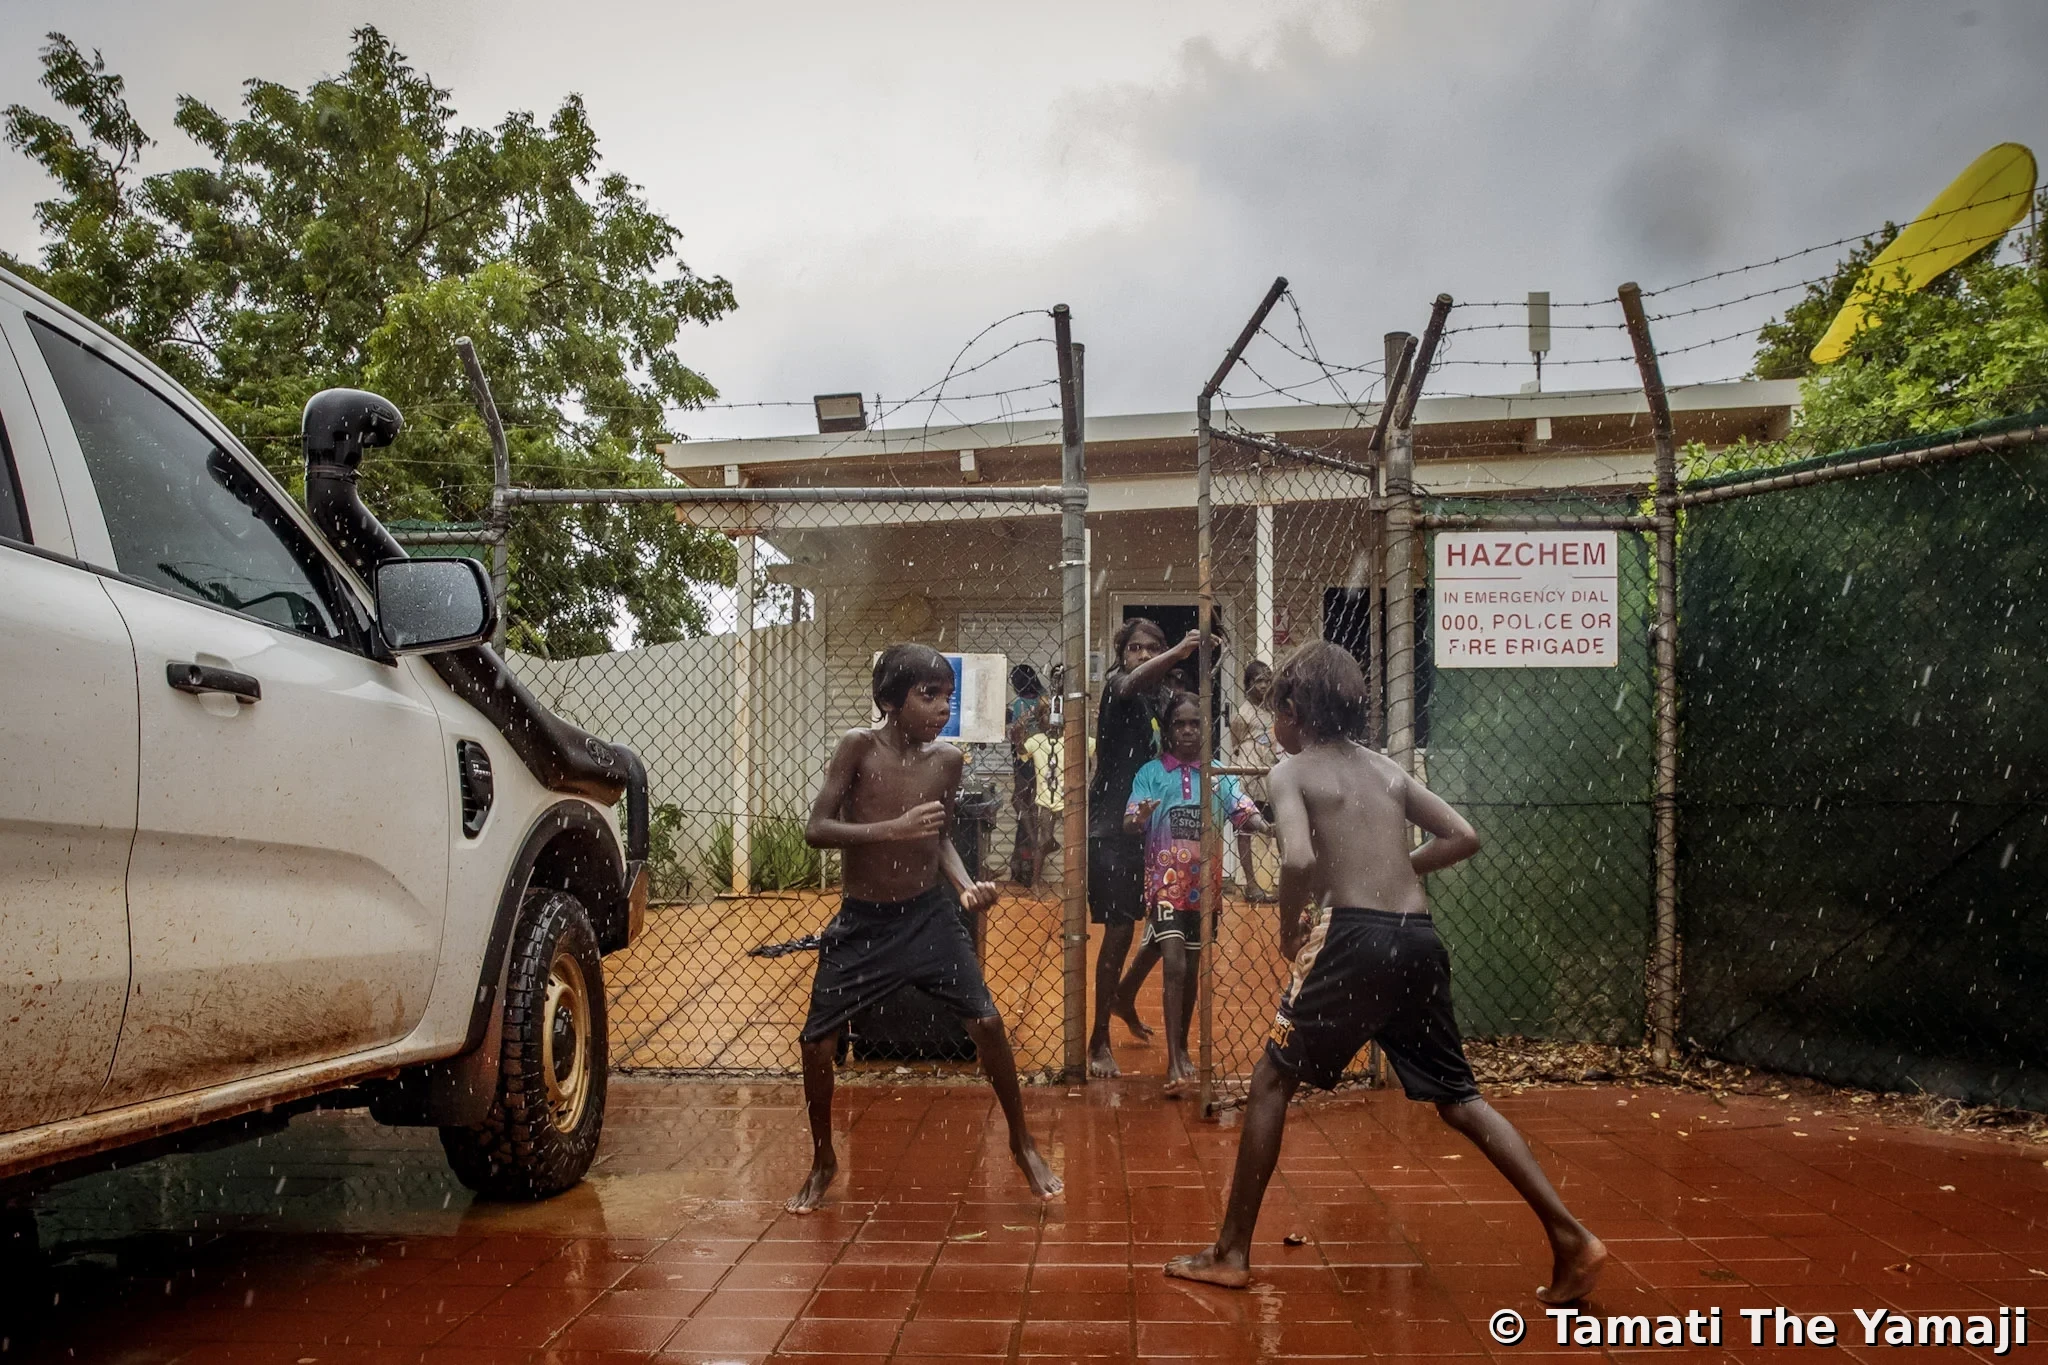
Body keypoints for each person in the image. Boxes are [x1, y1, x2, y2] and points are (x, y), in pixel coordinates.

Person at [1165, 642, 1604, 1304]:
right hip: (1417, 939)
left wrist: (1288, 927)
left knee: (1271, 1080)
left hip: (1353, 939)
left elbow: (1297, 858)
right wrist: (1397, 869)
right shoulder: (1387, 769)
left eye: (1277, 709)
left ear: (1291, 712)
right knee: (1460, 1098)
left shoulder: (1291, 771)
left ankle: (1230, 1252)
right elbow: (1463, 836)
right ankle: (1571, 1235)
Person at [792, 643, 1062, 1212]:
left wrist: (964, 886)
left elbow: (938, 838)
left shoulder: (947, 760)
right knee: (817, 1043)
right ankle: (822, 1159)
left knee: (987, 1023)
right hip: (864, 921)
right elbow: (817, 829)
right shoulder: (857, 747)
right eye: (929, 695)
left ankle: (1022, 1141)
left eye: (948, 697)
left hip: (927, 914)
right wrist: (892, 828)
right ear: (891, 700)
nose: (942, 708)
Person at [1086, 617, 1215, 1077]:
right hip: (1113, 830)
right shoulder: (1119, 688)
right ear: (1122, 655)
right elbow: (1131, 683)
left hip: (1156, 832)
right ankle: (1098, 1039)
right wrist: (1180, 650)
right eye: (1134, 648)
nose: (1142, 655)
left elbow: (1186, 715)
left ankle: (1124, 995)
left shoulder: (1159, 700)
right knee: (1120, 932)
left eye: (1151, 648)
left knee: (1169, 919)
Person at [1125, 693, 1269, 1094]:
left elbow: (1244, 811)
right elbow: (1130, 821)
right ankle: (1174, 1060)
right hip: (1164, 885)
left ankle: (1183, 1045)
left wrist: (1267, 826)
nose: (1188, 731)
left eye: (1195, 723)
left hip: (1205, 891)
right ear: (1168, 731)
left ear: (1206, 728)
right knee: (1174, 965)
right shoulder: (1151, 773)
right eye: (1180, 724)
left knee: (1191, 969)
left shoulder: (1219, 774)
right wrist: (1138, 817)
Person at [1228, 660, 1280, 903]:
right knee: (1246, 827)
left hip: (1270, 774)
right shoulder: (1243, 714)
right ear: (1248, 684)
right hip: (1249, 775)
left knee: (1277, 826)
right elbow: (1237, 743)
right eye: (1259, 681)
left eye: (1268, 680)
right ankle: (1251, 884)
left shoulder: (1272, 712)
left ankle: (1277, 879)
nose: (1264, 686)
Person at [1020, 711, 1087, 889]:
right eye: (1046, 715)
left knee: (1076, 840)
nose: (1052, 719)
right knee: (1044, 840)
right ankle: (1035, 882)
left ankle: (1075, 881)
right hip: (1046, 799)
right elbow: (1021, 752)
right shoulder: (1037, 740)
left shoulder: (1072, 738)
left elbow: (1094, 747)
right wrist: (1019, 731)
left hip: (1070, 798)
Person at [1007, 664, 1049, 886]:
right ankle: (1024, 861)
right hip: (1041, 755)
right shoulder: (1044, 699)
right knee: (1029, 804)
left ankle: (1034, 843)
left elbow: (1016, 734)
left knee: (1019, 801)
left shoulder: (1020, 703)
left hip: (1024, 754)